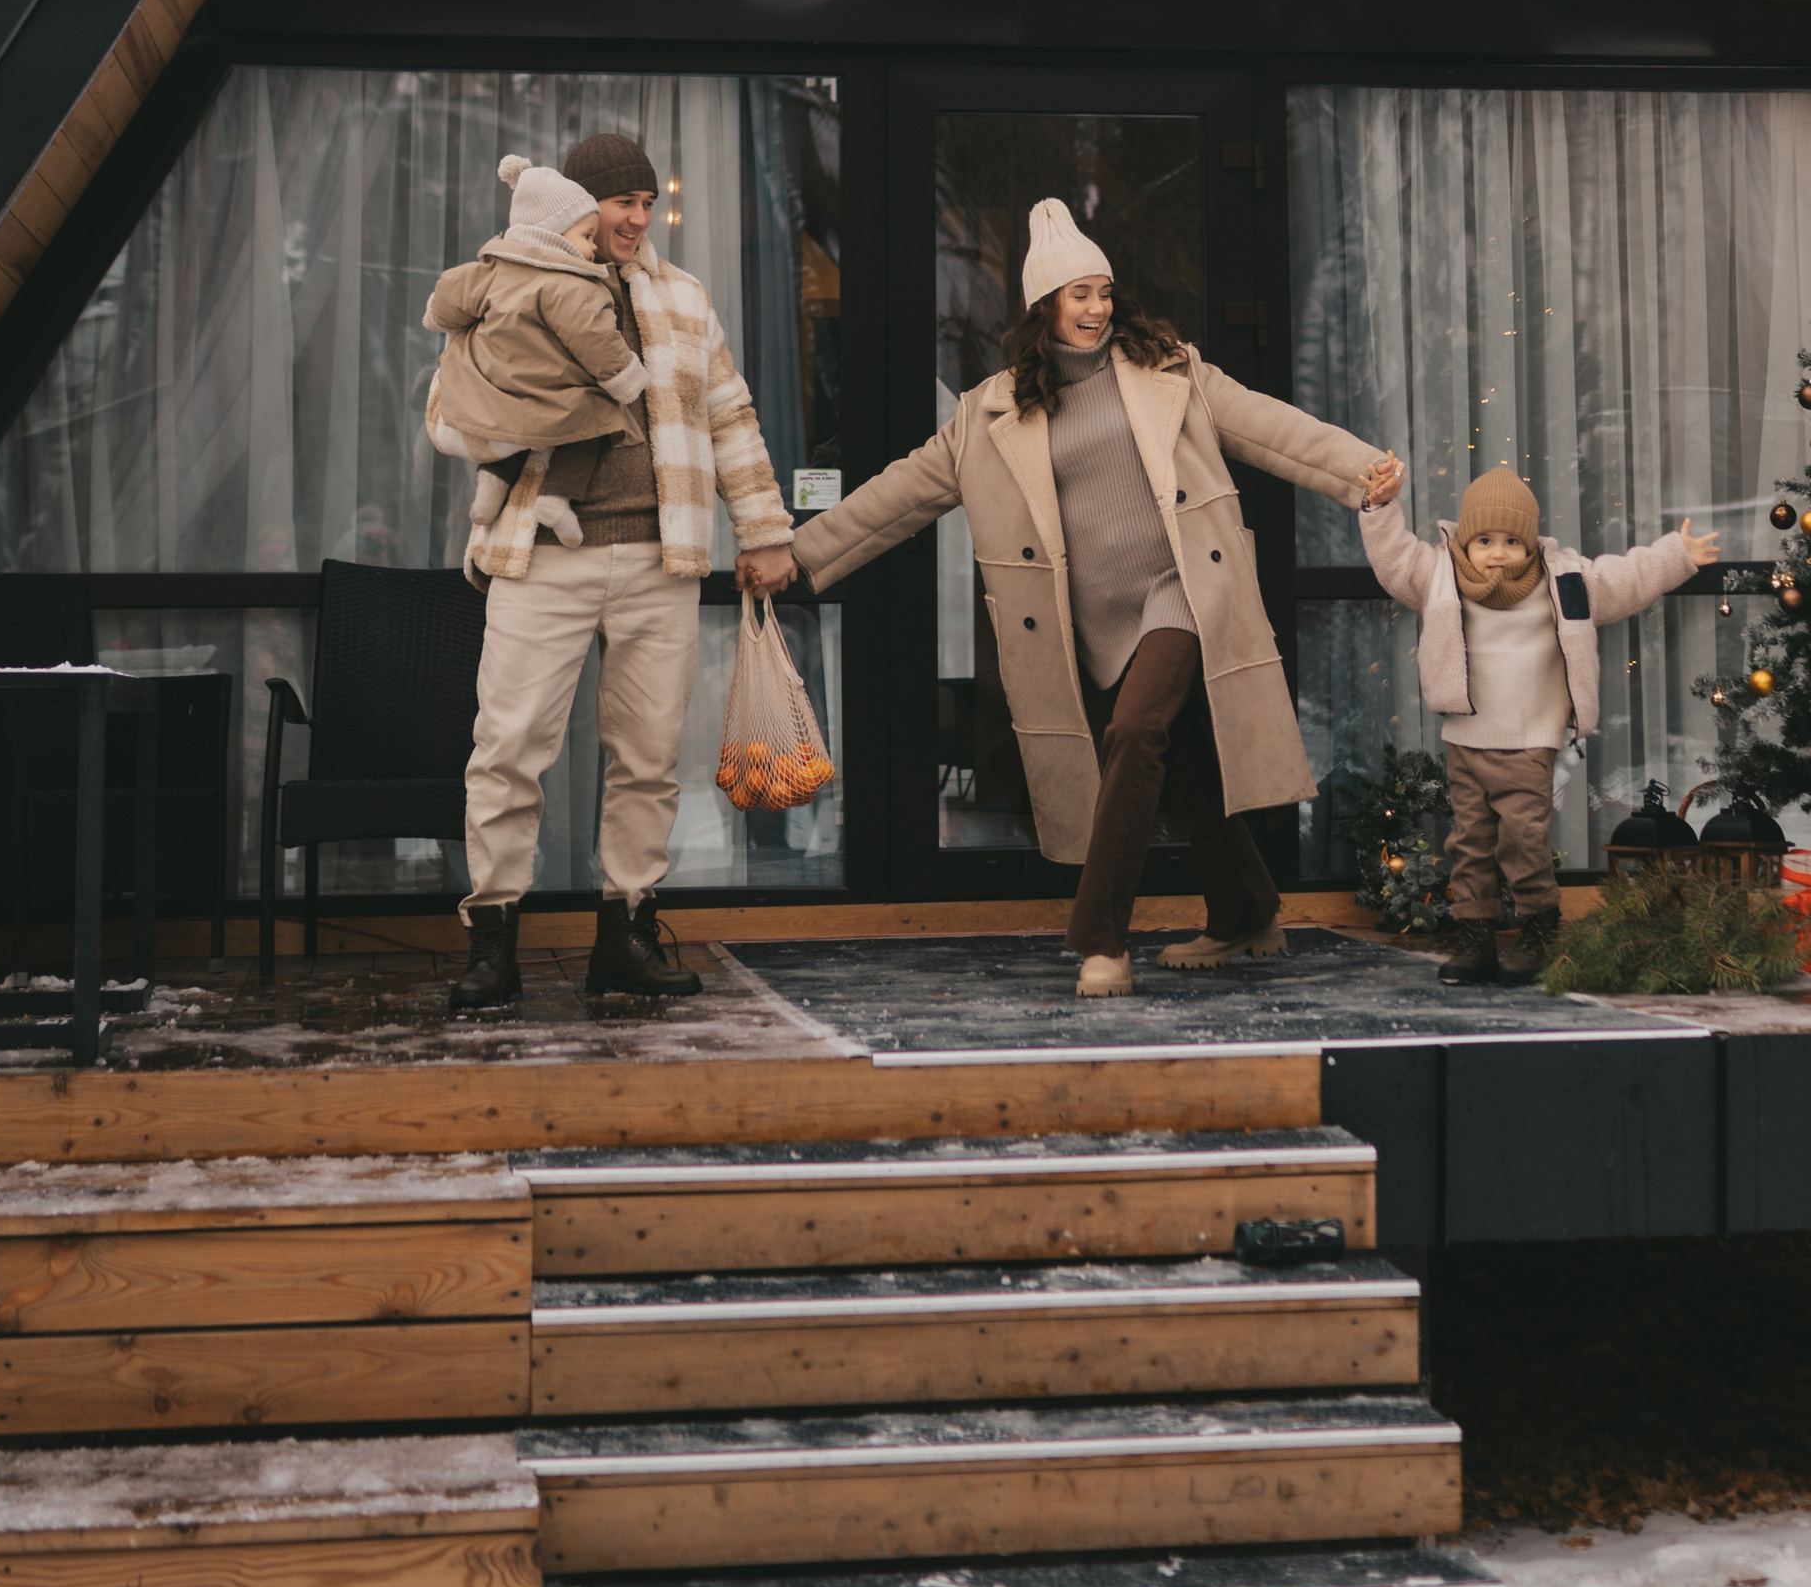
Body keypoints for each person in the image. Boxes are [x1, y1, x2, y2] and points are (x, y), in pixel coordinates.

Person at [790, 197, 1400, 998]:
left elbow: (1269, 426)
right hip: (1096, 622)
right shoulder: (991, 415)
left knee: (1137, 729)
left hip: (1181, 587)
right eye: (1078, 294)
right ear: (1044, 305)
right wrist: (798, 557)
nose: (1096, 308)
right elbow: (899, 494)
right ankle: (1247, 911)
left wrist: (1360, 470)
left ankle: (1102, 938)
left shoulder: (1169, 371)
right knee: (1186, 762)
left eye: (1103, 291)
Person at [431, 129, 794, 1015]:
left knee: (647, 758)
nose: (636, 217)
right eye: (618, 201)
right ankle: (493, 941)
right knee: (507, 748)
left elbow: (729, 415)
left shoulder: (682, 297)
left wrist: (764, 527)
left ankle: (626, 934)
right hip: (540, 554)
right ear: (576, 203)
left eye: (644, 201)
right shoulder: (513, 281)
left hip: (659, 558)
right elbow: (451, 407)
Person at [1361, 468, 1719, 982]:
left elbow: (1624, 579)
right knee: (1470, 843)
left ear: (1530, 544)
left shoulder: (1564, 580)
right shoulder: (1439, 574)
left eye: (1511, 541)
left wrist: (1676, 555)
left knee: (1523, 841)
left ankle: (1538, 930)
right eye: (1484, 540)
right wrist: (1379, 510)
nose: (1498, 552)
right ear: (1465, 539)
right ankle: (1475, 936)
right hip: (1466, 737)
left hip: (1530, 738)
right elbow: (1394, 559)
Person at [425, 153, 654, 550]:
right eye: (585, 236)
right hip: (552, 404)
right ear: (554, 235)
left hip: (499, 395)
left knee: (514, 427)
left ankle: (490, 487)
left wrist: (438, 316)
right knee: (595, 415)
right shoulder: (571, 285)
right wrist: (626, 380)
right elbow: (596, 340)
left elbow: (449, 294)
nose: (641, 219)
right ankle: (555, 497)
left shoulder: (491, 267)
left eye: (649, 204)